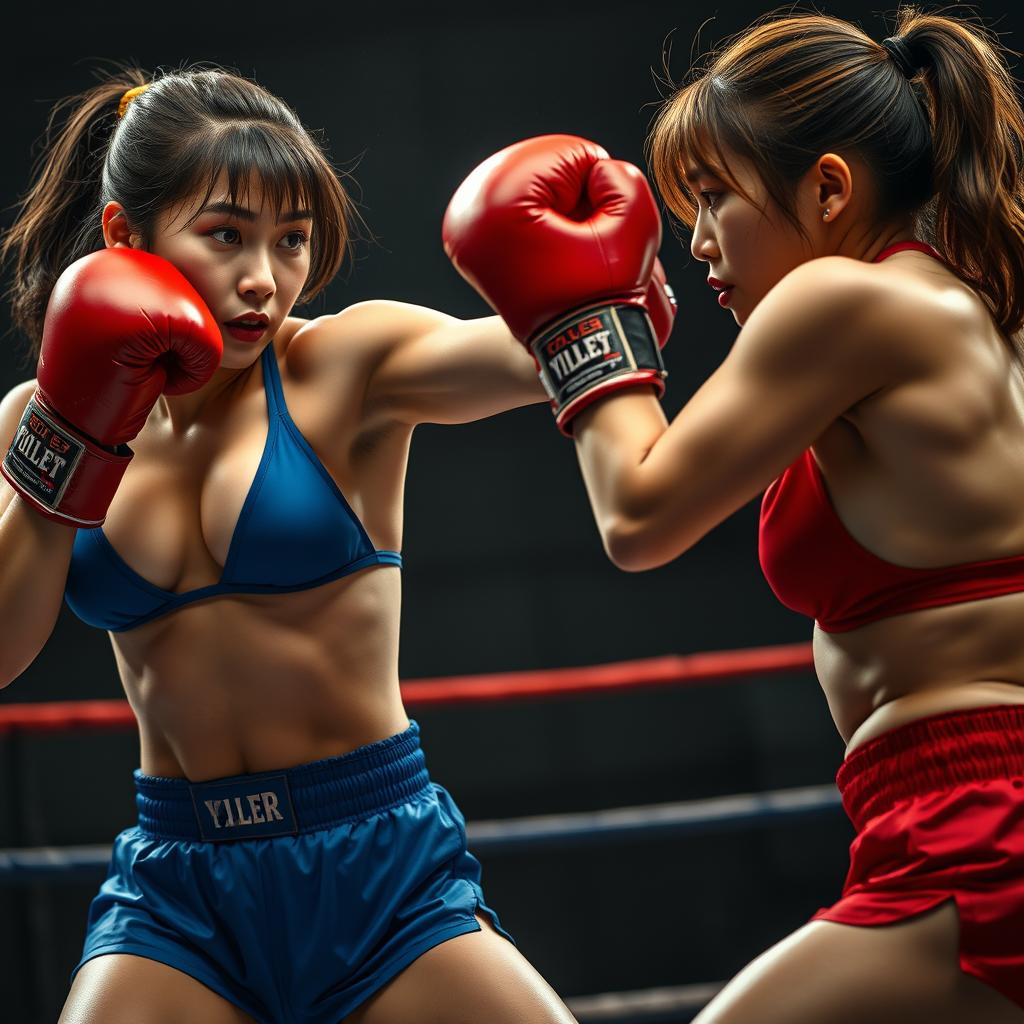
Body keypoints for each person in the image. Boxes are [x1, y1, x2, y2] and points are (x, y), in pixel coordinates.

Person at [443, 8, 1024, 1022]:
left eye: (713, 198)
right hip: (947, 808)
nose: (699, 242)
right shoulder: (973, 301)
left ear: (829, 189)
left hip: (975, 820)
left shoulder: (842, 302)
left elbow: (638, 513)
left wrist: (585, 319)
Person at [0, 65, 583, 1024]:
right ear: (124, 237)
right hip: (179, 897)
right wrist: (74, 433)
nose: (264, 280)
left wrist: (590, 284)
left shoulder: (343, 366)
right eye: (226, 235)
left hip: (377, 868)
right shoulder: (43, 416)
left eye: (293, 240)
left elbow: (532, 358)